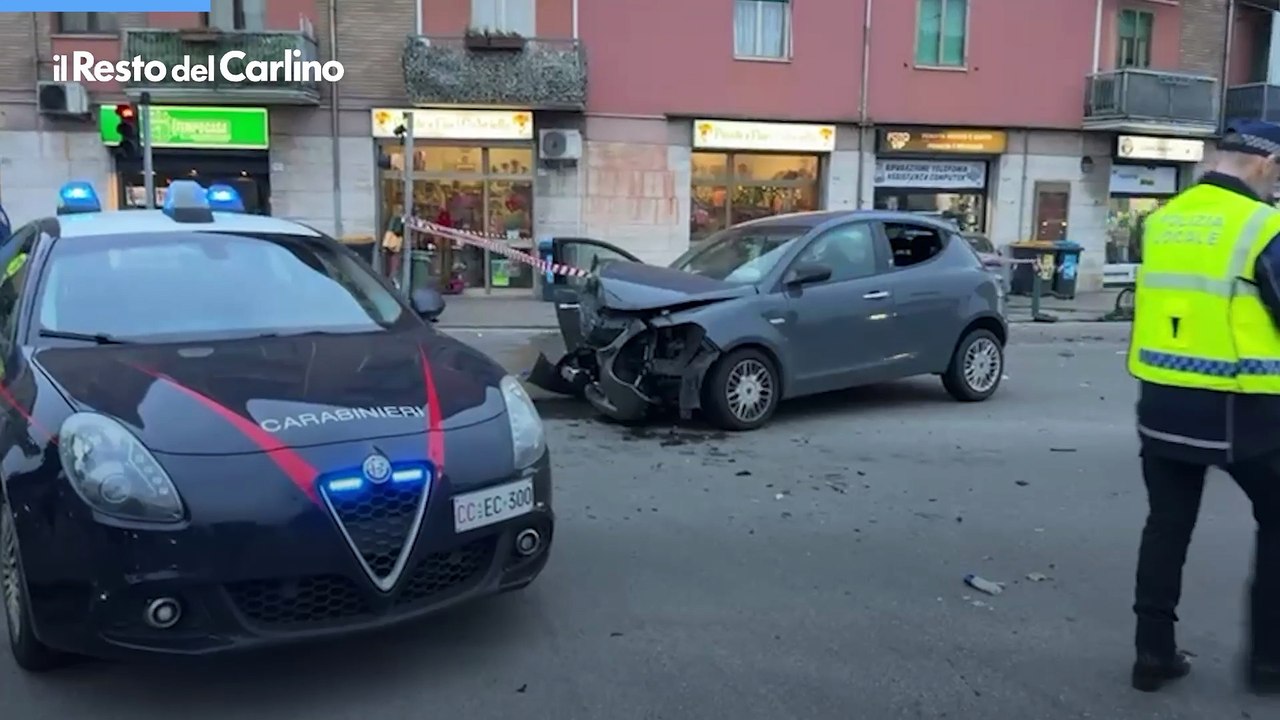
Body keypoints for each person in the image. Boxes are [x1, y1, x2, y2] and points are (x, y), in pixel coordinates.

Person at [1127, 120, 1280, 695]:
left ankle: (1152, 654)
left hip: (1163, 403)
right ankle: (1269, 663)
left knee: (1166, 526)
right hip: (1246, 410)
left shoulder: (1162, 221)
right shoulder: (1264, 225)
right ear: (1266, 163)